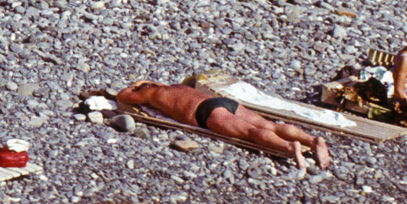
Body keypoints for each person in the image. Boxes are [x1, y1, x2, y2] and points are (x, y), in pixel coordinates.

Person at [116, 81, 331, 170]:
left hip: (205, 113)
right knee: (270, 124)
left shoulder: (150, 92)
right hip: (222, 103)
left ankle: (289, 148)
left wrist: (136, 85)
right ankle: (313, 141)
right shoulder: (176, 87)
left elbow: (123, 96)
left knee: (251, 132)